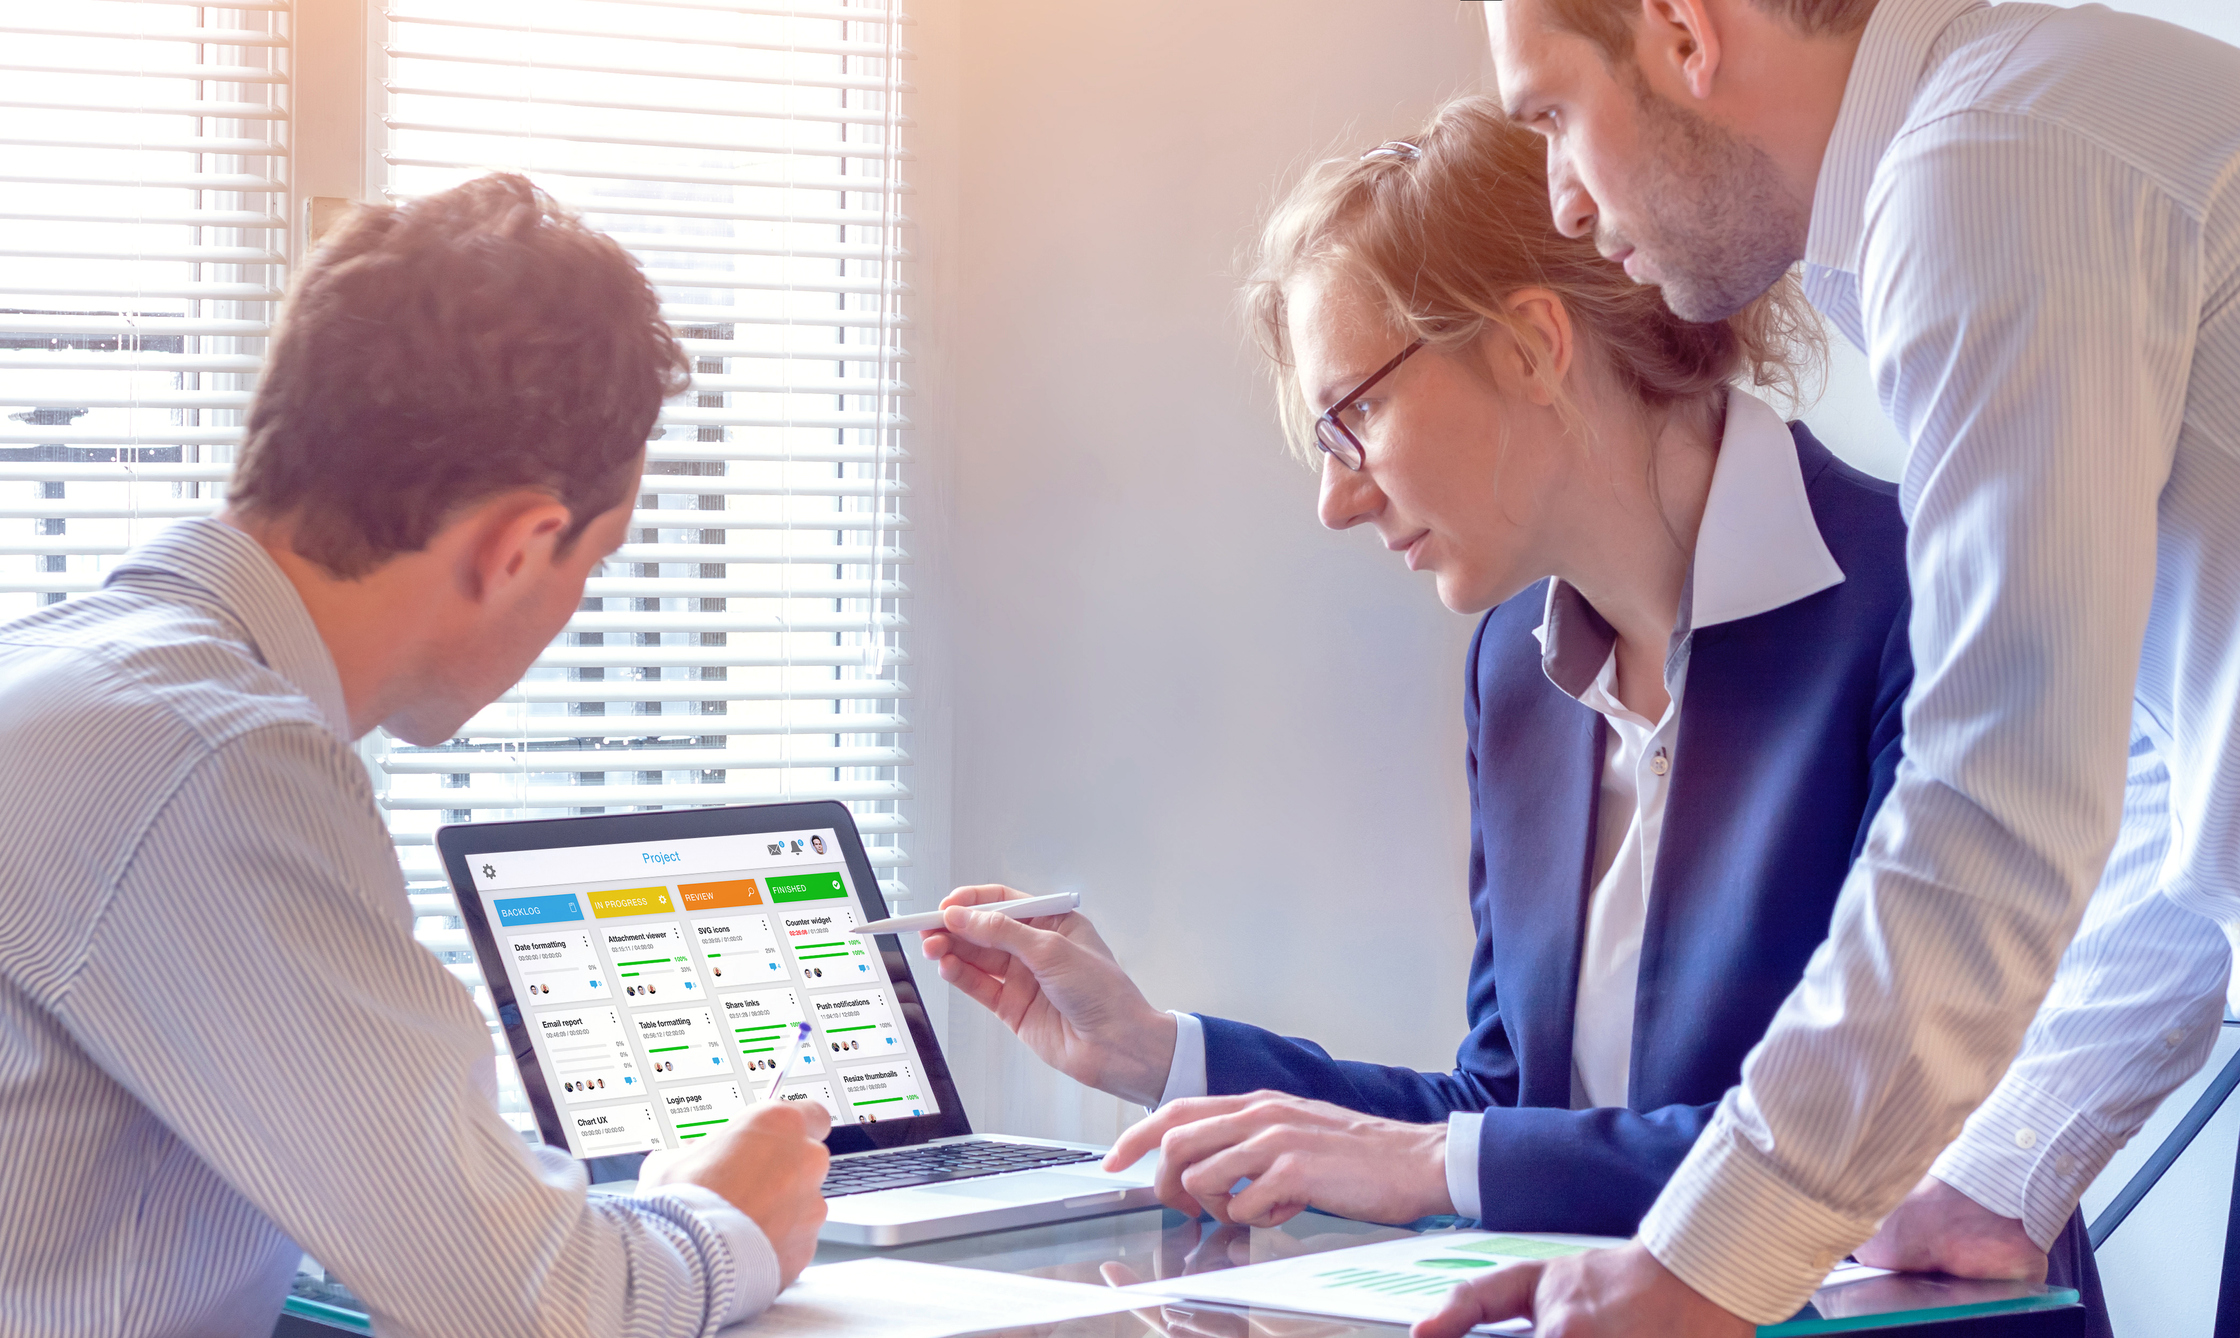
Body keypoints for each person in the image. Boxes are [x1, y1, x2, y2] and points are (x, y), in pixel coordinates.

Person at [918, 96, 2100, 1326]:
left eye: (1352, 417)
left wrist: (1439, 1164)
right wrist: (1158, 1053)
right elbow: (1505, 1113)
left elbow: (1886, 1152)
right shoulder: (1514, 670)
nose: (1334, 499)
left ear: (1530, 346)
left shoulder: (1927, 601)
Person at [1417, 1, 2240, 1334]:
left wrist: (1705, 1262)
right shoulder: (2005, 141)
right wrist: (1994, 1171)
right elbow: (2178, 782)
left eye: (1558, 115)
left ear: (1683, 31)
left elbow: (2000, 794)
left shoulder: (1990, 161)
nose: (1562, 201)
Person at [0, 175, 831, 1336]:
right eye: (589, 567)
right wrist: (723, 1223)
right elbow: (539, 1311)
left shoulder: (70, 678)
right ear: (519, 544)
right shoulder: (211, 762)